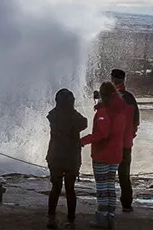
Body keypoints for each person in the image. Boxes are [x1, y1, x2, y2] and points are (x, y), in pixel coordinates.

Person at [80, 81, 132, 229]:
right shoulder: (120, 109)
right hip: (116, 153)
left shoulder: (104, 112)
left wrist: (82, 141)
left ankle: (101, 218)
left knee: (102, 188)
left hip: (103, 154)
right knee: (110, 187)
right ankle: (110, 217)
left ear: (103, 95)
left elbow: (102, 134)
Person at [47, 88, 89, 229]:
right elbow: (85, 123)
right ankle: (70, 220)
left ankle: (51, 218)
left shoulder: (52, 115)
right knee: (70, 189)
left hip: (55, 156)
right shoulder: (75, 117)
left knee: (55, 188)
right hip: (71, 158)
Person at [110, 69, 140, 213]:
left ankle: (107, 205)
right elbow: (136, 121)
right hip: (126, 145)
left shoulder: (110, 98)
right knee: (124, 175)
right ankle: (127, 204)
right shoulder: (130, 98)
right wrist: (130, 136)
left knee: (108, 175)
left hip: (111, 145)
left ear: (113, 79)